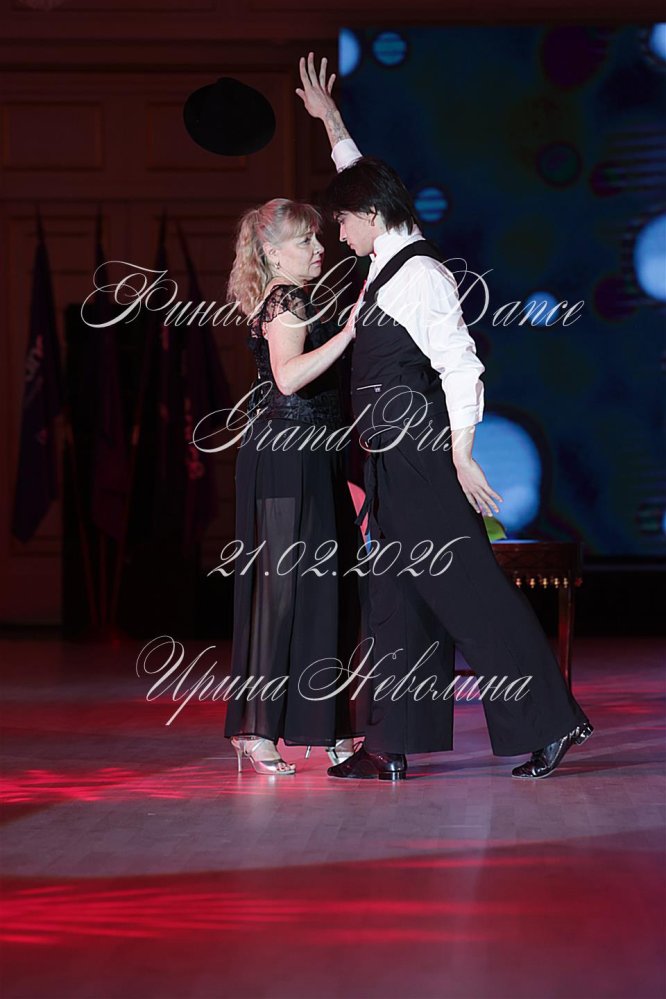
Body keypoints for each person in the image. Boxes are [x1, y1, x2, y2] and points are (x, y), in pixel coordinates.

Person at [296, 53, 593, 781]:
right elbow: (362, 176)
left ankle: (553, 722)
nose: (338, 235)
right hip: (392, 461)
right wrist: (332, 123)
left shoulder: (420, 276)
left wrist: (461, 454)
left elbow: (462, 366)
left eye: (342, 222)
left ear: (370, 218)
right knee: (395, 596)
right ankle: (390, 745)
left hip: (424, 460)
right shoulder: (387, 257)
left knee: (467, 591)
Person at [223, 197, 363, 775]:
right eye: (306, 241)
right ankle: (257, 730)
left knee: (323, 589)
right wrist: (348, 333)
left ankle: (325, 727)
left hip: (312, 455)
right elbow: (287, 378)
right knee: (280, 593)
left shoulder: (296, 296)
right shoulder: (286, 299)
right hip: (287, 456)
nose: (319, 248)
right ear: (273, 253)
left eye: (317, 238)